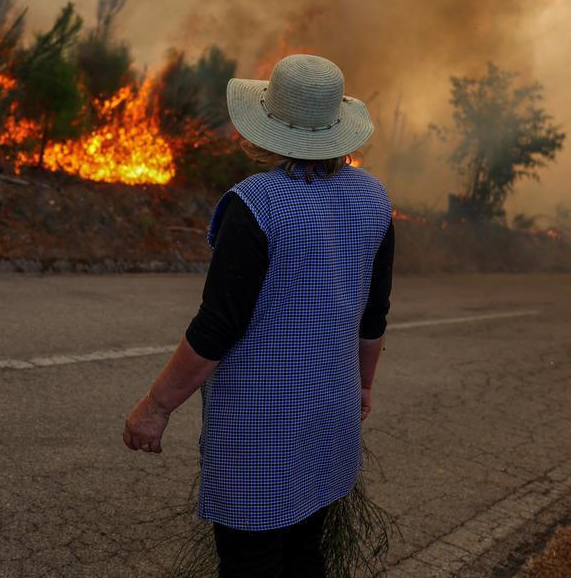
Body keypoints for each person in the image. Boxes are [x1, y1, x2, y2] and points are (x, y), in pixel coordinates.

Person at [122, 53, 395, 577]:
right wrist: (362, 386)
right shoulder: (373, 198)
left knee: (251, 562)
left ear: (268, 127)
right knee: (304, 555)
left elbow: (217, 328)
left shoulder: (256, 204)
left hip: (259, 430)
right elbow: (373, 314)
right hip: (330, 412)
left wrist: (156, 407)